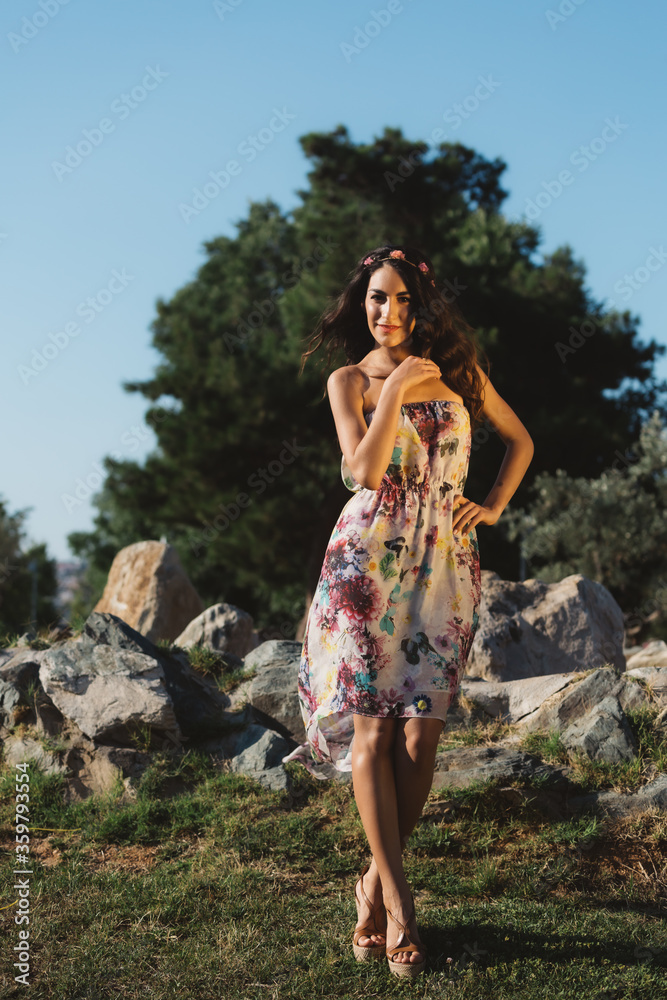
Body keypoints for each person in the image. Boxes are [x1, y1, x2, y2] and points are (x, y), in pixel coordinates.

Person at [283, 244, 534, 978]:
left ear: (421, 307)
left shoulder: (459, 374)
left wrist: (489, 506)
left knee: (420, 741)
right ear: (361, 306)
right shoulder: (348, 379)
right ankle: (399, 906)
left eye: (398, 300)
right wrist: (394, 388)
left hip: (442, 567)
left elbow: (519, 441)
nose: (386, 313)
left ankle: (367, 882)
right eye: (374, 300)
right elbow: (359, 470)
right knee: (371, 731)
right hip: (365, 565)